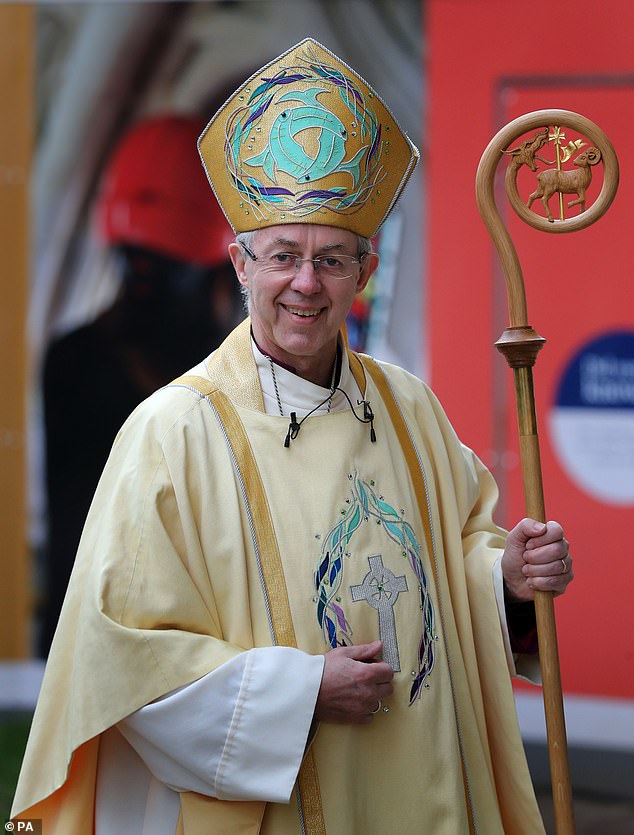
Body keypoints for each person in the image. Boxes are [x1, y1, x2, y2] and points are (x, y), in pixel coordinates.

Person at [13, 39, 573, 834]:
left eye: (331, 259)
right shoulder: (171, 433)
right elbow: (120, 659)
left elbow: (457, 562)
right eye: (283, 256)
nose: (305, 284)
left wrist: (507, 579)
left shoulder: (410, 409)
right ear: (240, 264)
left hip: (423, 788)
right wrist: (298, 691)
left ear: (365, 271)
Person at [39, 115, 239, 655]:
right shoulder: (85, 367)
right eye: (136, 265)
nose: (143, 285)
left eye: (156, 268)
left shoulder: (72, 358)